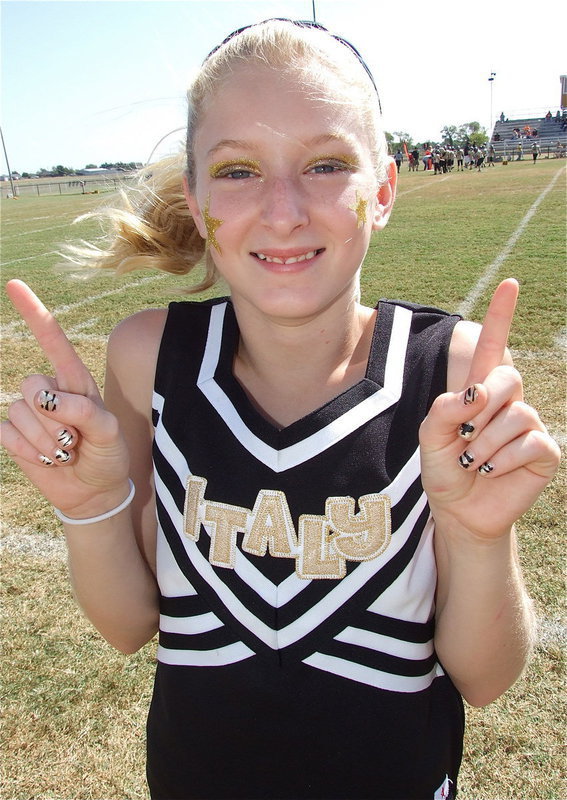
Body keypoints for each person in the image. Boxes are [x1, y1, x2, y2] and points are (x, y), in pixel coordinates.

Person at [0, 18, 560, 800]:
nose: (284, 211)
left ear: (383, 191)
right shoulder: (147, 358)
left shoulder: (451, 373)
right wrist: (92, 508)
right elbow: (129, 626)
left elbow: (485, 676)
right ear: (195, 199)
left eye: (325, 164)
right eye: (237, 171)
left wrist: (476, 537)